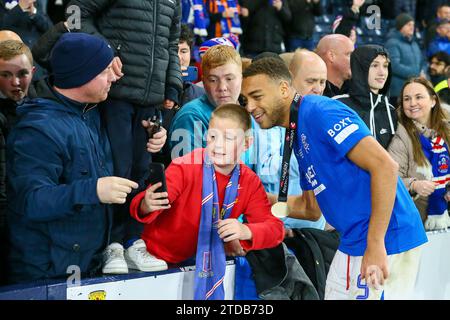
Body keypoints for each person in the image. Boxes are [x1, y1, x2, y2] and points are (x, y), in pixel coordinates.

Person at [240, 57, 428, 300]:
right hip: (353, 239)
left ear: (284, 89)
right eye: (246, 100)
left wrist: (375, 243)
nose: (250, 107)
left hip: (387, 237)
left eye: (257, 96)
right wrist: (255, 200)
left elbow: (385, 167)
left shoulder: (319, 111)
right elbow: (310, 209)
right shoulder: (297, 132)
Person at [5, 33, 166, 283]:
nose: (114, 76)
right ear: (82, 76)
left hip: (87, 265)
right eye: (105, 71)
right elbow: (30, 201)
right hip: (46, 274)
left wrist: (155, 132)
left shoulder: (93, 110)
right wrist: (93, 190)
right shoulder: (37, 129)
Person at [68, 0, 183, 274]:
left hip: (150, 99)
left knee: (141, 171)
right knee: (115, 170)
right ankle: (111, 244)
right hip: (113, 93)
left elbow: (170, 43)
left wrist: (173, 86)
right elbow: (75, 13)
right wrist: (103, 52)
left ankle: (133, 240)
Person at [130, 103, 284, 299]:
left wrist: (246, 230)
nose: (218, 145)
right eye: (212, 136)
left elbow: (275, 228)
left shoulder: (249, 181)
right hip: (156, 264)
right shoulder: (184, 166)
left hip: (203, 266)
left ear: (247, 143)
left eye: (228, 138)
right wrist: (146, 204)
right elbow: (143, 206)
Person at [388, 77, 450, 231]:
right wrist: (414, 185)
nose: (412, 103)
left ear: (433, 101)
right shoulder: (401, 135)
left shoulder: (447, 127)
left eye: (419, 97)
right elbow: (389, 178)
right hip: (415, 222)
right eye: (407, 99)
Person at [169, 45, 242, 158]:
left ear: (241, 78)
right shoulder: (191, 117)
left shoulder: (247, 115)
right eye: (213, 80)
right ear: (203, 82)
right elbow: (190, 173)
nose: (222, 87)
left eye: (229, 79)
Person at [336, 45, 397, 150]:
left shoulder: (390, 110)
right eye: (374, 65)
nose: (382, 72)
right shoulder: (339, 106)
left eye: (385, 66)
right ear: (360, 69)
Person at [385, 13, 426, 101]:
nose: (412, 27)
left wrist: (423, 71)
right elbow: (394, 66)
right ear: (400, 26)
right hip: (398, 91)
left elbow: (422, 61)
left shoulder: (414, 43)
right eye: (408, 25)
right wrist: (416, 73)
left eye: (413, 25)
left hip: (413, 88)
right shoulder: (392, 43)